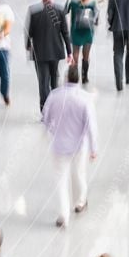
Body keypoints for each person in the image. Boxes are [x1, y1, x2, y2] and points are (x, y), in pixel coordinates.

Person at [42, 65, 97, 227]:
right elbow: (91, 126)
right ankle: (80, 202)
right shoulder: (84, 99)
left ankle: (63, 215)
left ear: (65, 78)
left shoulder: (54, 96)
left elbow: (45, 118)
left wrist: (51, 131)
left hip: (59, 146)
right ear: (78, 79)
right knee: (78, 174)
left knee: (60, 180)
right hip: (79, 146)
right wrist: (94, 148)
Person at [25, 0, 72, 112]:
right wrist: (69, 52)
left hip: (39, 53)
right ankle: (55, 108)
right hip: (55, 52)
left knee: (43, 82)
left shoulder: (34, 11)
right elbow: (65, 33)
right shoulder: (60, 10)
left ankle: (45, 110)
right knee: (54, 80)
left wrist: (28, 47)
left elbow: (29, 33)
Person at [64, 0, 97, 84]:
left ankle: (73, 77)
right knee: (86, 56)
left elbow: (64, 11)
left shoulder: (73, 2)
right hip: (88, 34)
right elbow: (96, 20)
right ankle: (85, 77)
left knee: (75, 55)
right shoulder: (92, 4)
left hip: (75, 32)